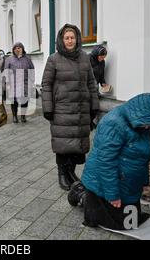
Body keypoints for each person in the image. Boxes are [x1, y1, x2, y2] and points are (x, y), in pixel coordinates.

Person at [68, 93, 150, 231]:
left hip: (125, 179)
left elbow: (140, 157)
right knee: (117, 222)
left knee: (131, 221)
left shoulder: (140, 123)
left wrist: (141, 182)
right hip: (106, 179)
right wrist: (112, 195)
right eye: (148, 122)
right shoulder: (113, 123)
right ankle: (79, 194)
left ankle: (85, 194)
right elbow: (106, 162)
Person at [41, 24, 99, 191]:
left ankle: (71, 173)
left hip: (81, 109)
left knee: (77, 146)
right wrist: (48, 107)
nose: (69, 40)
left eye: (72, 37)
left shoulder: (84, 58)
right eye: (66, 38)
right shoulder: (54, 59)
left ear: (77, 39)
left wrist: (94, 105)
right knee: (63, 144)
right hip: (62, 109)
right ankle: (62, 174)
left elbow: (91, 82)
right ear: (61, 39)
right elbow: (46, 84)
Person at [4, 42, 35, 123]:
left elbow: (32, 70)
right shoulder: (9, 59)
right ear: (13, 50)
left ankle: (23, 116)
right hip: (13, 84)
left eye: (19, 48)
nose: (17, 50)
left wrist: (31, 81)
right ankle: (14, 116)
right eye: (15, 48)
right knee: (14, 101)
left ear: (22, 49)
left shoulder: (27, 59)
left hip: (25, 83)